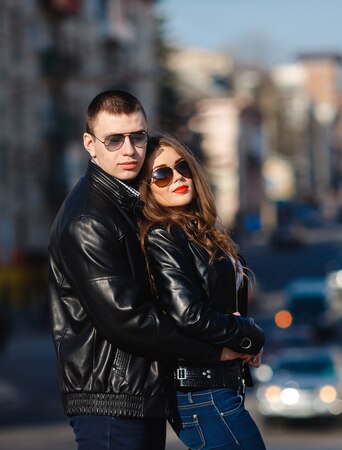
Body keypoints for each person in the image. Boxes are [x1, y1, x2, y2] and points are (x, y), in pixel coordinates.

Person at [47, 90, 264, 450]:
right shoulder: (90, 218)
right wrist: (221, 348)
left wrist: (233, 333)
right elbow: (129, 320)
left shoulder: (127, 204)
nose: (129, 150)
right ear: (90, 144)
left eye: (137, 136)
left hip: (138, 391)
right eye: (114, 139)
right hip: (111, 400)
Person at [138, 134, 266, 450]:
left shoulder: (200, 231)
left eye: (183, 167)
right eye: (162, 174)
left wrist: (243, 337)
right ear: (147, 187)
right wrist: (247, 334)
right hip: (200, 392)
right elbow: (188, 314)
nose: (178, 178)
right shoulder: (163, 236)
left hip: (218, 387)